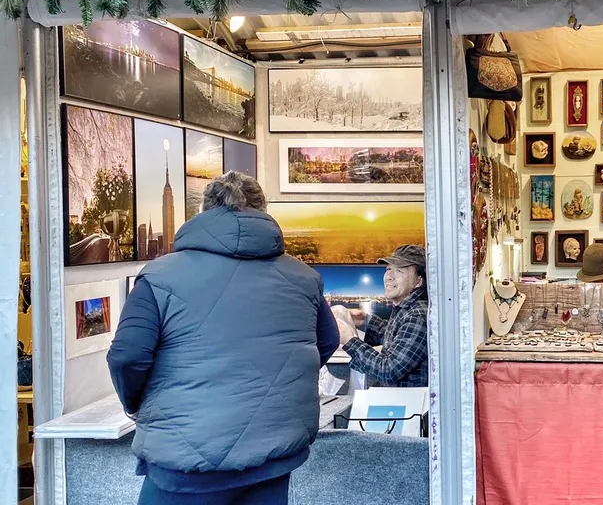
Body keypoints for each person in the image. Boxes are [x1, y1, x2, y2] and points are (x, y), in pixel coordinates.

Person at [107, 172, 339, 505]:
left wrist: (137, 404)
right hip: (271, 457)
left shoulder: (160, 276)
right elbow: (326, 342)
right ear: (263, 211)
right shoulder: (304, 277)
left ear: (203, 210)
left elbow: (127, 356)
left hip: (184, 462)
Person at [344, 245, 428, 387]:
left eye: (399, 270)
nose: (389, 276)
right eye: (388, 269)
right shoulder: (407, 310)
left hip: (409, 406)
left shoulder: (418, 315)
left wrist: (349, 340)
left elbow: (389, 370)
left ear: (418, 281)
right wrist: (365, 321)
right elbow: (398, 337)